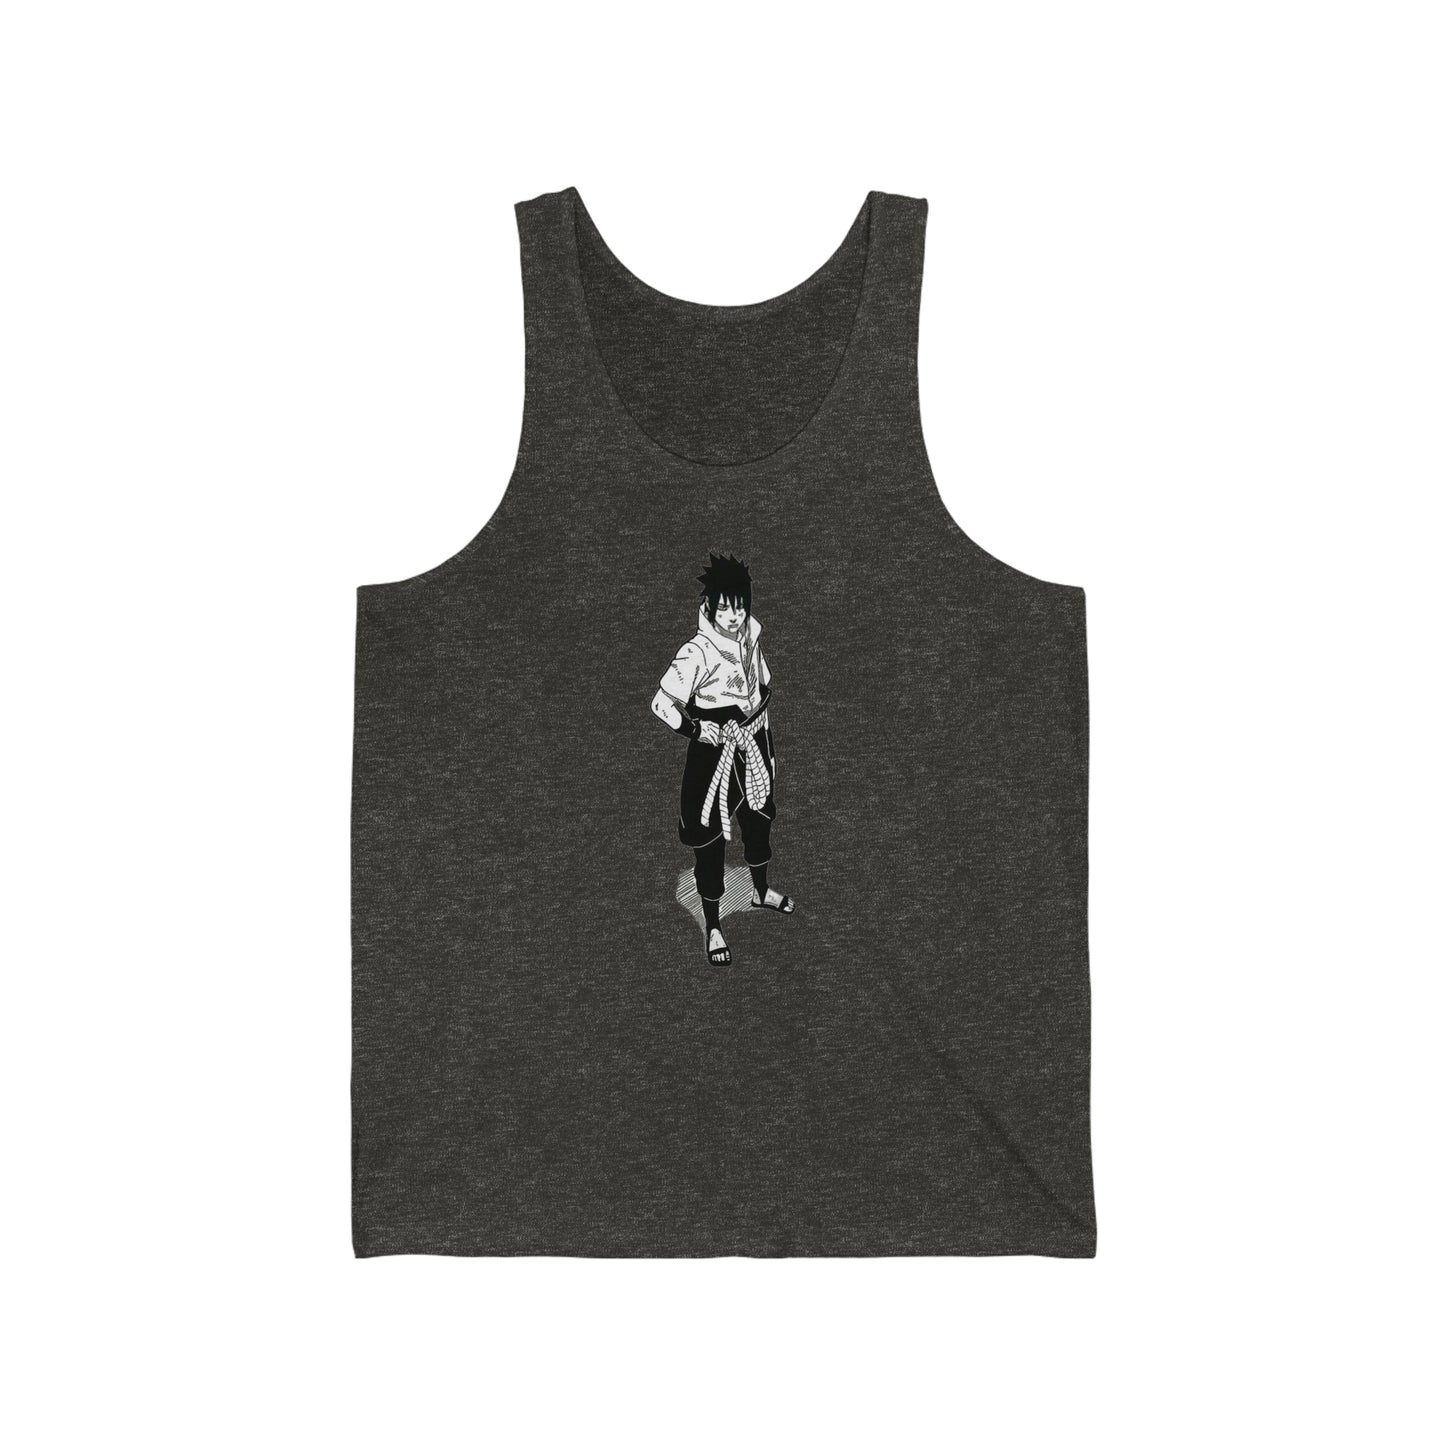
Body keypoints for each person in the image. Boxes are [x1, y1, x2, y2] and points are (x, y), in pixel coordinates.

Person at [651, 553, 795, 965]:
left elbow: (761, 686)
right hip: (715, 752)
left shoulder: (751, 635)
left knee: (759, 818)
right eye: (725, 607)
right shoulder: (695, 652)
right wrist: (696, 729)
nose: (734, 616)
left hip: (755, 740)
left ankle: (760, 890)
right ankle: (713, 924)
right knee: (709, 838)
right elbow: (662, 702)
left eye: (740, 606)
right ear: (710, 606)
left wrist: (765, 745)